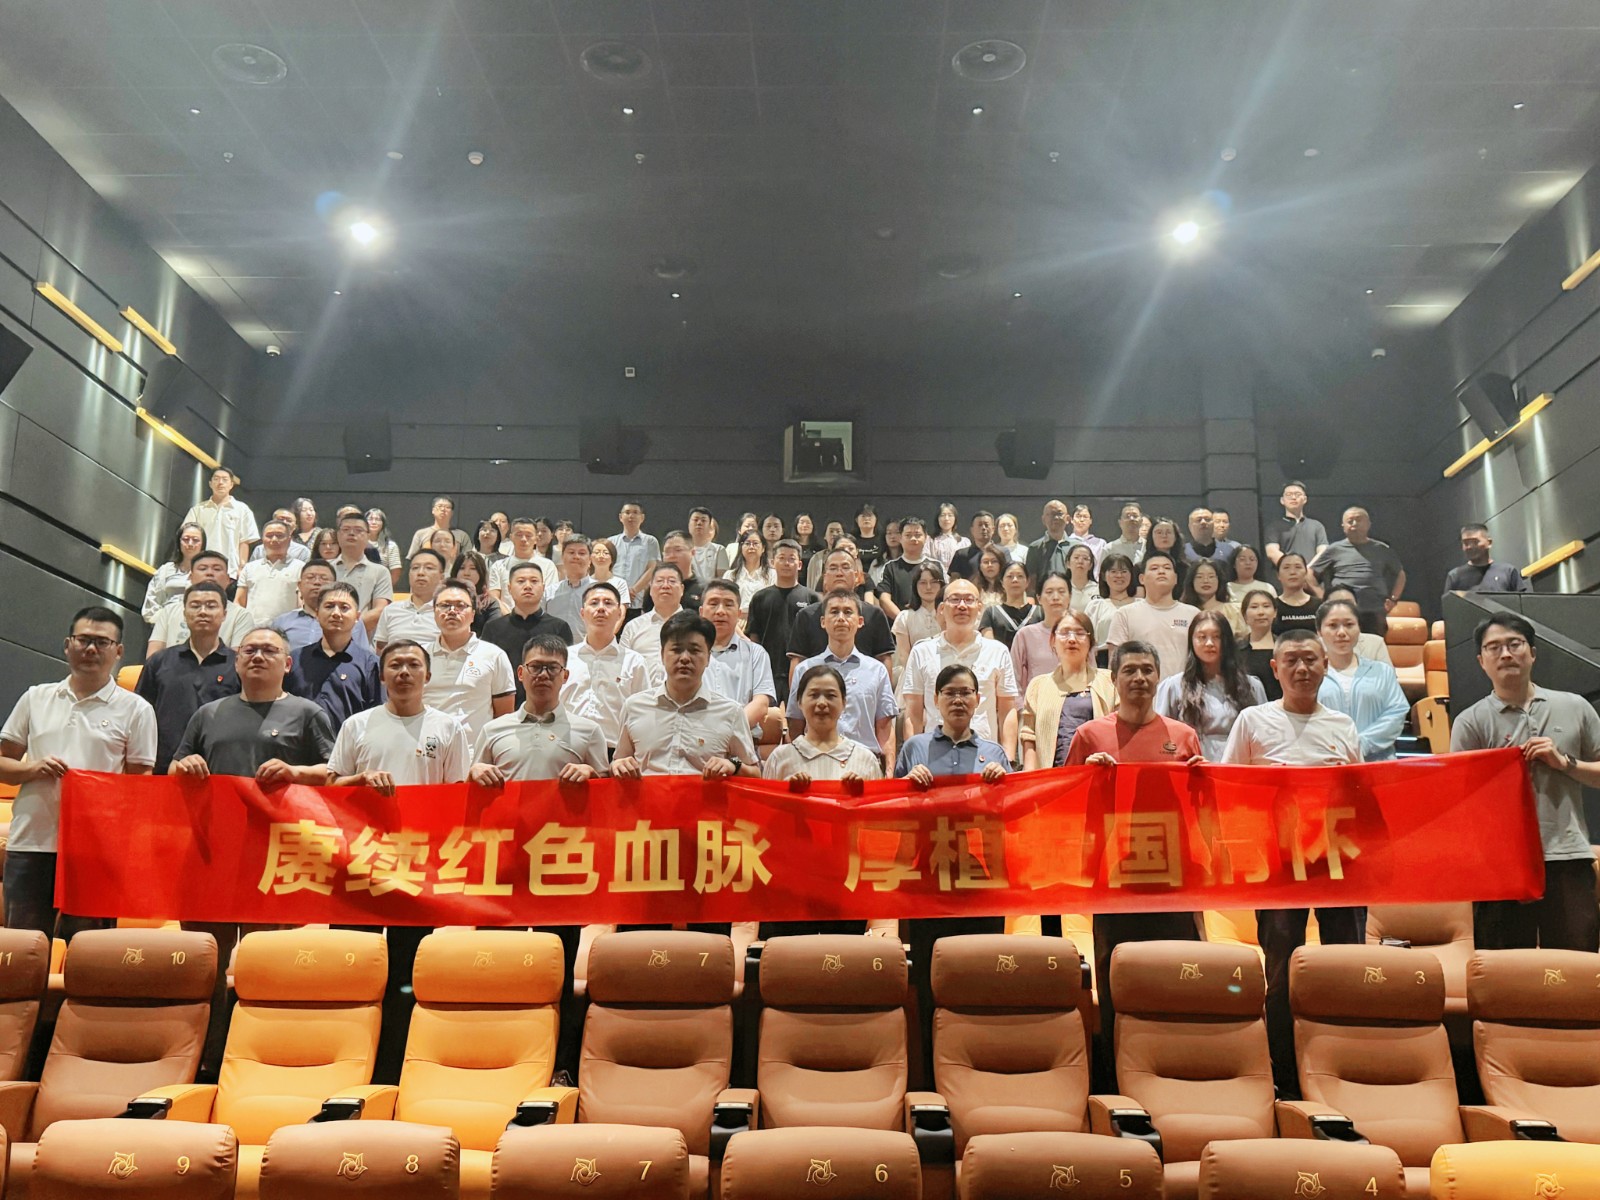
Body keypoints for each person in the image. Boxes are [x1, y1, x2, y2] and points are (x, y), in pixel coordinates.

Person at [171, 624, 335, 1078]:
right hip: (213, 856)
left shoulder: (308, 713)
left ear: (288, 663)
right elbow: (174, 769)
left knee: (269, 963)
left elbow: (334, 773)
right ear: (237, 660)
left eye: (269, 650)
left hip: (275, 858)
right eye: (249, 650)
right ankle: (206, 1059)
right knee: (207, 963)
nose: (258, 656)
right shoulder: (208, 714)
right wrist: (185, 766)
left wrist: (295, 772)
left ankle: (268, 1056)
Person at [1220, 628, 1365, 1098]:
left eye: (1310, 660)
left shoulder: (1342, 725)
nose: (1302, 669)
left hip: (1334, 861)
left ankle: (1344, 1063)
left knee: (1344, 963)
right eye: (1292, 661)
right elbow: (1228, 788)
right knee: (1281, 966)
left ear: (1326, 665)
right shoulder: (1253, 720)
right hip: (1278, 864)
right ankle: (1282, 1073)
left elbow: (1361, 797)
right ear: (1275, 668)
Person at [326, 636, 469, 1082]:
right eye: (395, 665)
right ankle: (345, 1064)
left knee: (408, 970)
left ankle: (396, 1068)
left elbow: (457, 797)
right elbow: (331, 787)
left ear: (428, 674)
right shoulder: (357, 725)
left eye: (413, 665)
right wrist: (360, 781)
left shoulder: (448, 728)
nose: (404, 672)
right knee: (352, 963)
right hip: (360, 860)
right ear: (382, 674)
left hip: (418, 865)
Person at [470, 631, 610, 1075]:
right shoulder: (493, 730)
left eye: (552, 668)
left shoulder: (588, 731)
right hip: (505, 869)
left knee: (558, 972)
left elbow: (610, 801)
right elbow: (468, 796)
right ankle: (497, 1058)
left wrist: (592, 773)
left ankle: (560, 1065)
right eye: (535, 667)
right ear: (520, 673)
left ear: (565, 676)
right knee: (499, 967)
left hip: (561, 868)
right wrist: (475, 772)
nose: (543, 675)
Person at [1064, 640, 1204, 1074]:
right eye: (1130, 670)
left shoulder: (1183, 737)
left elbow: (1204, 808)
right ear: (1114, 678)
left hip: (1172, 879)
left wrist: (1201, 780)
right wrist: (1089, 778)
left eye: (1147, 670)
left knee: (1177, 976)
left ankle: (1178, 1069)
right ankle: (1114, 1078)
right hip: (1114, 879)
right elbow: (1065, 805)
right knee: (1116, 981)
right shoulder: (1090, 736)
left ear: (1159, 677)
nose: (1139, 678)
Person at [1, 606, 155, 940]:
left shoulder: (137, 709)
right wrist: (32, 768)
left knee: (87, 950)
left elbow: (140, 784)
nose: (91, 649)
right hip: (32, 843)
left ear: (118, 651)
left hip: (96, 850)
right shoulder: (35, 697)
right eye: (83, 640)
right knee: (22, 947)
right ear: (67, 645)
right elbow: (4, 765)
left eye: (102, 642)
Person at [1451, 613, 1600, 953]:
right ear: (1481, 661)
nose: (1505, 654)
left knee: (1576, 966)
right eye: (1494, 647)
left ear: (1532, 653)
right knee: (1502, 970)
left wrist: (1564, 762)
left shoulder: (1575, 706)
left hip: (1567, 855)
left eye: (1514, 644)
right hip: (1500, 863)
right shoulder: (1470, 722)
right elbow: (1462, 799)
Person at [896, 663, 1011, 1074]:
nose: (958, 700)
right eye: (950, 693)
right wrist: (908, 784)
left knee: (981, 973)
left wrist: (1002, 784)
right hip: (927, 876)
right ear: (935, 700)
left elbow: (1010, 816)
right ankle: (929, 1074)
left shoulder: (994, 754)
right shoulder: (915, 748)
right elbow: (892, 809)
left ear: (979, 699)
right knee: (929, 978)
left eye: (966, 692)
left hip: (980, 878)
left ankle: (980, 1065)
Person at [613, 611, 759, 779]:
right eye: (676, 650)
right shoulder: (634, 707)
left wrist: (734, 765)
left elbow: (755, 775)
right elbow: (619, 763)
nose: (684, 658)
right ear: (662, 655)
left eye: (694, 650)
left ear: (708, 658)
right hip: (650, 797)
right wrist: (618, 765)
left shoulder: (731, 712)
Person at [901, 578, 1019, 761]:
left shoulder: (998, 651)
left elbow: (1007, 711)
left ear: (979, 608)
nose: (962, 606)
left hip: (984, 759)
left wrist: (1008, 759)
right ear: (942, 608)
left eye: (969, 600)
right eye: (955, 599)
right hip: (933, 758)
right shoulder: (921, 652)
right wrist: (913, 761)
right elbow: (913, 713)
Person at [137, 583, 241, 772]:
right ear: (184, 614)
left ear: (224, 614)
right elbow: (141, 715)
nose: (203, 612)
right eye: (195, 605)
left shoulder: (239, 664)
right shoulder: (159, 661)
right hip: (163, 768)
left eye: (211, 606)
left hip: (219, 770)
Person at [786, 589, 897, 761]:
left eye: (848, 612)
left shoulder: (877, 671)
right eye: (834, 611)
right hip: (815, 760)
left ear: (860, 621)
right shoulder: (804, 670)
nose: (841, 618)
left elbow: (885, 728)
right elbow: (795, 725)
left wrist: (888, 770)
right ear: (823, 622)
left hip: (864, 762)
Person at [1153, 611, 1266, 761]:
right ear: (1192, 641)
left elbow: (1264, 736)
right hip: (1192, 767)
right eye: (1202, 637)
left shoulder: (1252, 686)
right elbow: (1161, 738)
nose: (1209, 643)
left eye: (1216, 637)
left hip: (1239, 768)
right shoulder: (1173, 687)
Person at [1018, 609, 1115, 771]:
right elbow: (1029, 737)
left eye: (1080, 633)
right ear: (1053, 640)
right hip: (1052, 779)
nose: (1072, 639)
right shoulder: (1038, 686)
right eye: (1064, 633)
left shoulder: (1110, 682)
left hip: (1098, 774)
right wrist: (1029, 779)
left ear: (1091, 641)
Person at [1314, 598, 1407, 761]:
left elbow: (1396, 712)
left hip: (1378, 762)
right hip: (1326, 762)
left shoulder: (1382, 671)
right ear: (1319, 632)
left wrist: (1361, 745)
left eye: (1349, 625)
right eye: (1333, 625)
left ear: (1359, 628)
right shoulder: (1312, 675)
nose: (1341, 632)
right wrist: (1336, 749)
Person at [422, 580, 516, 742]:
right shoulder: (419, 656)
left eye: (460, 605)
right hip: (426, 748)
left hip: (475, 752)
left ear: (473, 614)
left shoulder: (494, 655)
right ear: (434, 612)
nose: (452, 611)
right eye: (444, 605)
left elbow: (504, 717)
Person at [788, 546, 895, 685]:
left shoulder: (875, 615)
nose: (839, 573)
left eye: (845, 567)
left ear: (856, 576)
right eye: (833, 568)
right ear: (824, 577)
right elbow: (798, 661)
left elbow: (884, 659)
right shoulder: (806, 615)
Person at [285, 582, 383, 731]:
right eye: (329, 606)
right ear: (317, 614)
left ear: (357, 617)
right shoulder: (295, 659)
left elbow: (378, 715)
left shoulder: (370, 664)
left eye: (344, 607)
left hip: (351, 745)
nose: (336, 613)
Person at [567, 582, 651, 753]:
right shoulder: (565, 658)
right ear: (582, 613)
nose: (601, 608)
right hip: (568, 749)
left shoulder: (634, 662)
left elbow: (644, 714)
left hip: (616, 754)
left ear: (619, 613)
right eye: (594, 603)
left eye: (608, 603)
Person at [483, 563, 574, 702]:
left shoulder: (559, 627)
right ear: (509, 589)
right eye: (521, 581)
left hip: (548, 704)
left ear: (543, 587)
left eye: (534, 581)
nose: (527, 586)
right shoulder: (493, 628)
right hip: (503, 705)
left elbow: (566, 671)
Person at [744, 540, 819, 705]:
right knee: (767, 717)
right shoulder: (760, 597)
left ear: (800, 564)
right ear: (772, 562)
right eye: (782, 558)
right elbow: (753, 635)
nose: (786, 563)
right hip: (767, 670)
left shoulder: (812, 598)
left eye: (792, 559)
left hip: (802, 669)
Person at [1310, 507, 1406, 635]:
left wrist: (1394, 599)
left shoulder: (1382, 549)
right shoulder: (1334, 549)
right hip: (1342, 610)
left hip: (1374, 609)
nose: (1354, 524)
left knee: (1374, 644)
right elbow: (1309, 574)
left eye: (1359, 520)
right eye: (1350, 521)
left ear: (1368, 524)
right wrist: (1322, 595)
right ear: (1343, 526)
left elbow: (1400, 574)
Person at [1104, 552, 1200, 679]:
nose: (1161, 571)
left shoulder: (1193, 614)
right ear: (1141, 579)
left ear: (1176, 578)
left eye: (1167, 568)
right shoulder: (1124, 614)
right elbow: (1114, 664)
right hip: (1138, 688)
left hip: (1182, 689)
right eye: (1154, 568)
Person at [699, 580, 775, 732]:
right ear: (701, 612)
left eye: (728, 605)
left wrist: (727, 733)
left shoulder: (755, 653)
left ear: (739, 614)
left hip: (741, 738)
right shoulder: (688, 653)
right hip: (696, 737)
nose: (720, 611)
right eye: (713, 604)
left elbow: (761, 703)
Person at [146, 551, 257, 655]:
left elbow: (238, 659)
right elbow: (154, 655)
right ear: (190, 577)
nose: (209, 573)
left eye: (217, 569)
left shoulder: (241, 615)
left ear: (228, 579)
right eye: (203, 568)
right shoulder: (169, 611)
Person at [271, 559, 372, 655]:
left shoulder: (351, 621)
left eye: (324, 578)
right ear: (300, 585)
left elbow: (362, 656)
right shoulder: (282, 622)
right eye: (310, 578)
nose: (317, 582)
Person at [183, 466, 257, 577]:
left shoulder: (242, 510)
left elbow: (244, 541)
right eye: (216, 479)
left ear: (231, 484)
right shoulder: (198, 510)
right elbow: (187, 537)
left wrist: (241, 567)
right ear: (210, 483)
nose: (220, 483)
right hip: (201, 568)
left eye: (225, 479)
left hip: (230, 570)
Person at [328, 511, 393, 637]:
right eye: (346, 529)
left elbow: (380, 610)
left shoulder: (380, 572)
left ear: (368, 536)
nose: (351, 533)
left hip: (362, 641)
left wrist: (347, 629)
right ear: (338, 535)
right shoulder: (325, 569)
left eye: (358, 530)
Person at [620, 563, 688, 683]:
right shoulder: (633, 627)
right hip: (641, 693)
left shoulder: (694, 626)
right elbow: (621, 667)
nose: (665, 586)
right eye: (660, 581)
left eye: (672, 581)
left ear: (682, 589)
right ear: (650, 588)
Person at [1009, 571, 1072, 694]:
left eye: (1061, 592)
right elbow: (1014, 680)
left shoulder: (1081, 634)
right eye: (1049, 592)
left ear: (1070, 596)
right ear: (1039, 598)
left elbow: (1093, 675)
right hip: (1036, 703)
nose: (1055, 597)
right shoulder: (1025, 635)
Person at [235, 517, 303, 625]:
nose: (274, 539)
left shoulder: (301, 568)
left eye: (279, 535)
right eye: (269, 536)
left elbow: (302, 604)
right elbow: (239, 602)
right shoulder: (249, 568)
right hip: (252, 629)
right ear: (262, 539)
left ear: (289, 539)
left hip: (287, 630)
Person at [374, 550, 445, 651]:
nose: (420, 573)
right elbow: (380, 649)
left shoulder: (446, 612)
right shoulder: (390, 610)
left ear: (442, 578)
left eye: (429, 568)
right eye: (415, 568)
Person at [142, 521, 207, 623]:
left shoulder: (208, 573)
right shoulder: (165, 570)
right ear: (179, 542)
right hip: (164, 623)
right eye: (186, 539)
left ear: (202, 544)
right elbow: (152, 601)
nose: (190, 544)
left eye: (195, 540)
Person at [1444, 523, 1529, 598]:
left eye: (1475, 542)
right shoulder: (1455, 576)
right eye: (1466, 543)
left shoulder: (1508, 571)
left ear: (1489, 543)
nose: (1469, 547)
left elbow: (1522, 603)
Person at [892, 564, 945, 683]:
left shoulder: (948, 614)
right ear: (915, 586)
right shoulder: (905, 617)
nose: (928, 587)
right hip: (913, 677)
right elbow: (904, 656)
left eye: (934, 582)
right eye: (923, 583)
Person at [488, 517, 557, 604]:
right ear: (511, 537)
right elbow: (494, 598)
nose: (523, 539)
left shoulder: (548, 566)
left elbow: (550, 598)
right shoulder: (498, 566)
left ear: (536, 539)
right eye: (519, 535)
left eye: (528, 535)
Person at [876, 516, 933, 621]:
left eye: (917, 535)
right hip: (899, 626)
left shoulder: (935, 566)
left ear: (926, 537)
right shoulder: (890, 567)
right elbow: (884, 599)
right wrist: (905, 622)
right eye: (908, 535)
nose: (913, 539)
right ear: (900, 538)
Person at [1265, 480, 1329, 569]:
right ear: (1282, 500)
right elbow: (1272, 552)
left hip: (1312, 575)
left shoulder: (1317, 526)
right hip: (1285, 576)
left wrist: (1308, 570)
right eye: (1289, 495)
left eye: (1298, 494)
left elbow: (1323, 551)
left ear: (1305, 499)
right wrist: (1293, 569)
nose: (1293, 497)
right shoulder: (1274, 527)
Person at [979, 560, 1038, 649]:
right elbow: (989, 648)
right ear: (1002, 582)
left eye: (1020, 576)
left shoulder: (1039, 613)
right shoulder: (991, 613)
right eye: (1010, 576)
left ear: (1027, 582)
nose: (1015, 580)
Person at [613, 502, 661, 611]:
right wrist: (620, 593)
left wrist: (633, 591)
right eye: (627, 512)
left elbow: (652, 568)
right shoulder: (611, 542)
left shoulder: (650, 541)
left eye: (635, 512)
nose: (631, 516)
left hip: (639, 601)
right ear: (620, 517)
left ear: (642, 518)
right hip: (615, 600)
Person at [1180, 558, 1244, 639]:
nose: (1206, 580)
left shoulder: (1234, 611)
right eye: (1199, 577)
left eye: (1211, 576)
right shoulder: (1184, 612)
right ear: (1191, 581)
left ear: (1219, 580)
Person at [1085, 553, 1138, 649]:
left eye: (1124, 571)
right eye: (1113, 571)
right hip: (1102, 656)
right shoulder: (1095, 606)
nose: (1119, 575)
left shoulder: (1140, 605)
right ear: (1103, 576)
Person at [1023, 500, 1080, 590]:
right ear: (1043, 519)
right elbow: (1031, 581)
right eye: (1052, 514)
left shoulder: (1077, 547)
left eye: (1059, 514)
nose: (1056, 518)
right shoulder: (1035, 548)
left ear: (1068, 519)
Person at [546, 535, 596, 636]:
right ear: (562, 557)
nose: (576, 557)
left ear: (590, 560)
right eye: (571, 552)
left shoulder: (599, 591)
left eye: (581, 553)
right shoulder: (549, 592)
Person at [645, 532, 705, 614]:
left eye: (678, 550)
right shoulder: (656, 587)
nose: (672, 556)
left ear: (692, 552)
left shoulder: (704, 588)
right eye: (667, 551)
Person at [1240, 589, 1281, 701]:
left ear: (1275, 612)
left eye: (1266, 606)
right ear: (1244, 615)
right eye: (1254, 607)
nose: (1261, 612)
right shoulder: (1235, 650)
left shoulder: (1285, 647)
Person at [726, 530, 774, 614]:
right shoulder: (730, 575)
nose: (751, 547)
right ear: (741, 547)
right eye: (747, 543)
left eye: (755, 543)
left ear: (763, 548)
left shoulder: (773, 574)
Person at [1272, 552, 1320, 635]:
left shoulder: (1319, 605)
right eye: (1286, 567)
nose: (1292, 572)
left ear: (1306, 573)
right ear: (1278, 575)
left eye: (1298, 567)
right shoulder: (1272, 606)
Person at [948, 510, 996, 582]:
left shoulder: (1002, 552)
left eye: (986, 525)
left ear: (993, 529)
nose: (983, 528)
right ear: (972, 530)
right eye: (980, 525)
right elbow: (954, 580)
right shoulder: (961, 554)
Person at [688, 506, 729, 583]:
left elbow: (722, 580)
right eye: (695, 520)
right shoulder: (682, 549)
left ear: (710, 526)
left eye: (703, 520)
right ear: (689, 524)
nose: (699, 523)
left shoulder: (719, 550)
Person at [588, 537, 631, 608]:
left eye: (606, 553)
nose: (601, 556)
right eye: (597, 552)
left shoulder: (620, 583)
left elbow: (622, 610)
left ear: (612, 558)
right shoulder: (584, 582)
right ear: (590, 557)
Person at [928, 502, 970, 572]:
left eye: (950, 515)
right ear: (938, 519)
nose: (946, 519)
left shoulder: (963, 542)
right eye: (943, 515)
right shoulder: (930, 541)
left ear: (955, 519)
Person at [366, 508, 403, 585]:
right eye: (370, 519)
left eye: (377, 519)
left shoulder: (391, 546)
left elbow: (395, 572)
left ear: (383, 524)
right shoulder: (357, 544)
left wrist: (385, 588)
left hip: (381, 584)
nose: (374, 522)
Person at [1065, 544, 1098, 613]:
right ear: (1068, 563)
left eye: (1085, 558)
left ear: (1091, 565)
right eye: (1076, 557)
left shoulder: (1098, 589)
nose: (1080, 561)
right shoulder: (1062, 589)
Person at [852, 504, 884, 573]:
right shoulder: (851, 540)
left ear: (876, 519)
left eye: (870, 516)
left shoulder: (883, 539)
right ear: (856, 520)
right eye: (863, 516)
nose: (866, 519)